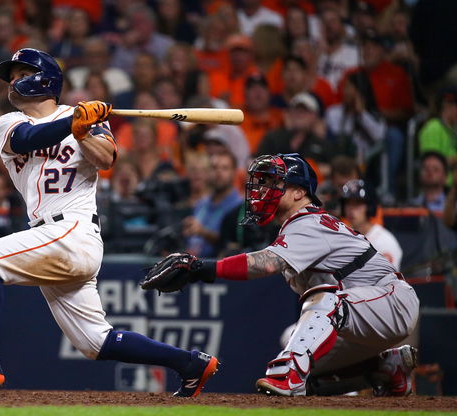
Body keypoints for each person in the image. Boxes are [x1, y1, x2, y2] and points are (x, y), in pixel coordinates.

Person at [0, 48, 219, 397]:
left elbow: (106, 159)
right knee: (94, 342)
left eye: (21, 74)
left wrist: (85, 130)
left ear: (45, 79)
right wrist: (75, 124)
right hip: (49, 236)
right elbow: (26, 140)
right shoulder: (8, 122)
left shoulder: (84, 118)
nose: (13, 82)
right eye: (11, 77)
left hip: (73, 230)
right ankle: (190, 364)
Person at [143, 153, 419, 396]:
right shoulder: (295, 227)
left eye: (275, 184)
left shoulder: (308, 221)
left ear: (299, 193)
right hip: (362, 313)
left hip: (390, 301)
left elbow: (265, 263)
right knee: (299, 349)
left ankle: (290, 377)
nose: (263, 190)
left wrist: (201, 268)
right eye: (263, 183)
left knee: (322, 305)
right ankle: (387, 367)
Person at [183, 152, 243, 258]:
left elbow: (230, 244)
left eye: (225, 168)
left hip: (216, 268)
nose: (218, 172)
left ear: (234, 172)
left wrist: (203, 232)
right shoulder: (201, 203)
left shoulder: (239, 206)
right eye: (214, 168)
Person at [340, 179, 403, 270]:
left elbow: (387, 282)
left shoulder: (384, 242)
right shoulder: (342, 237)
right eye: (348, 204)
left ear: (370, 207)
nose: (352, 210)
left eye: (358, 203)